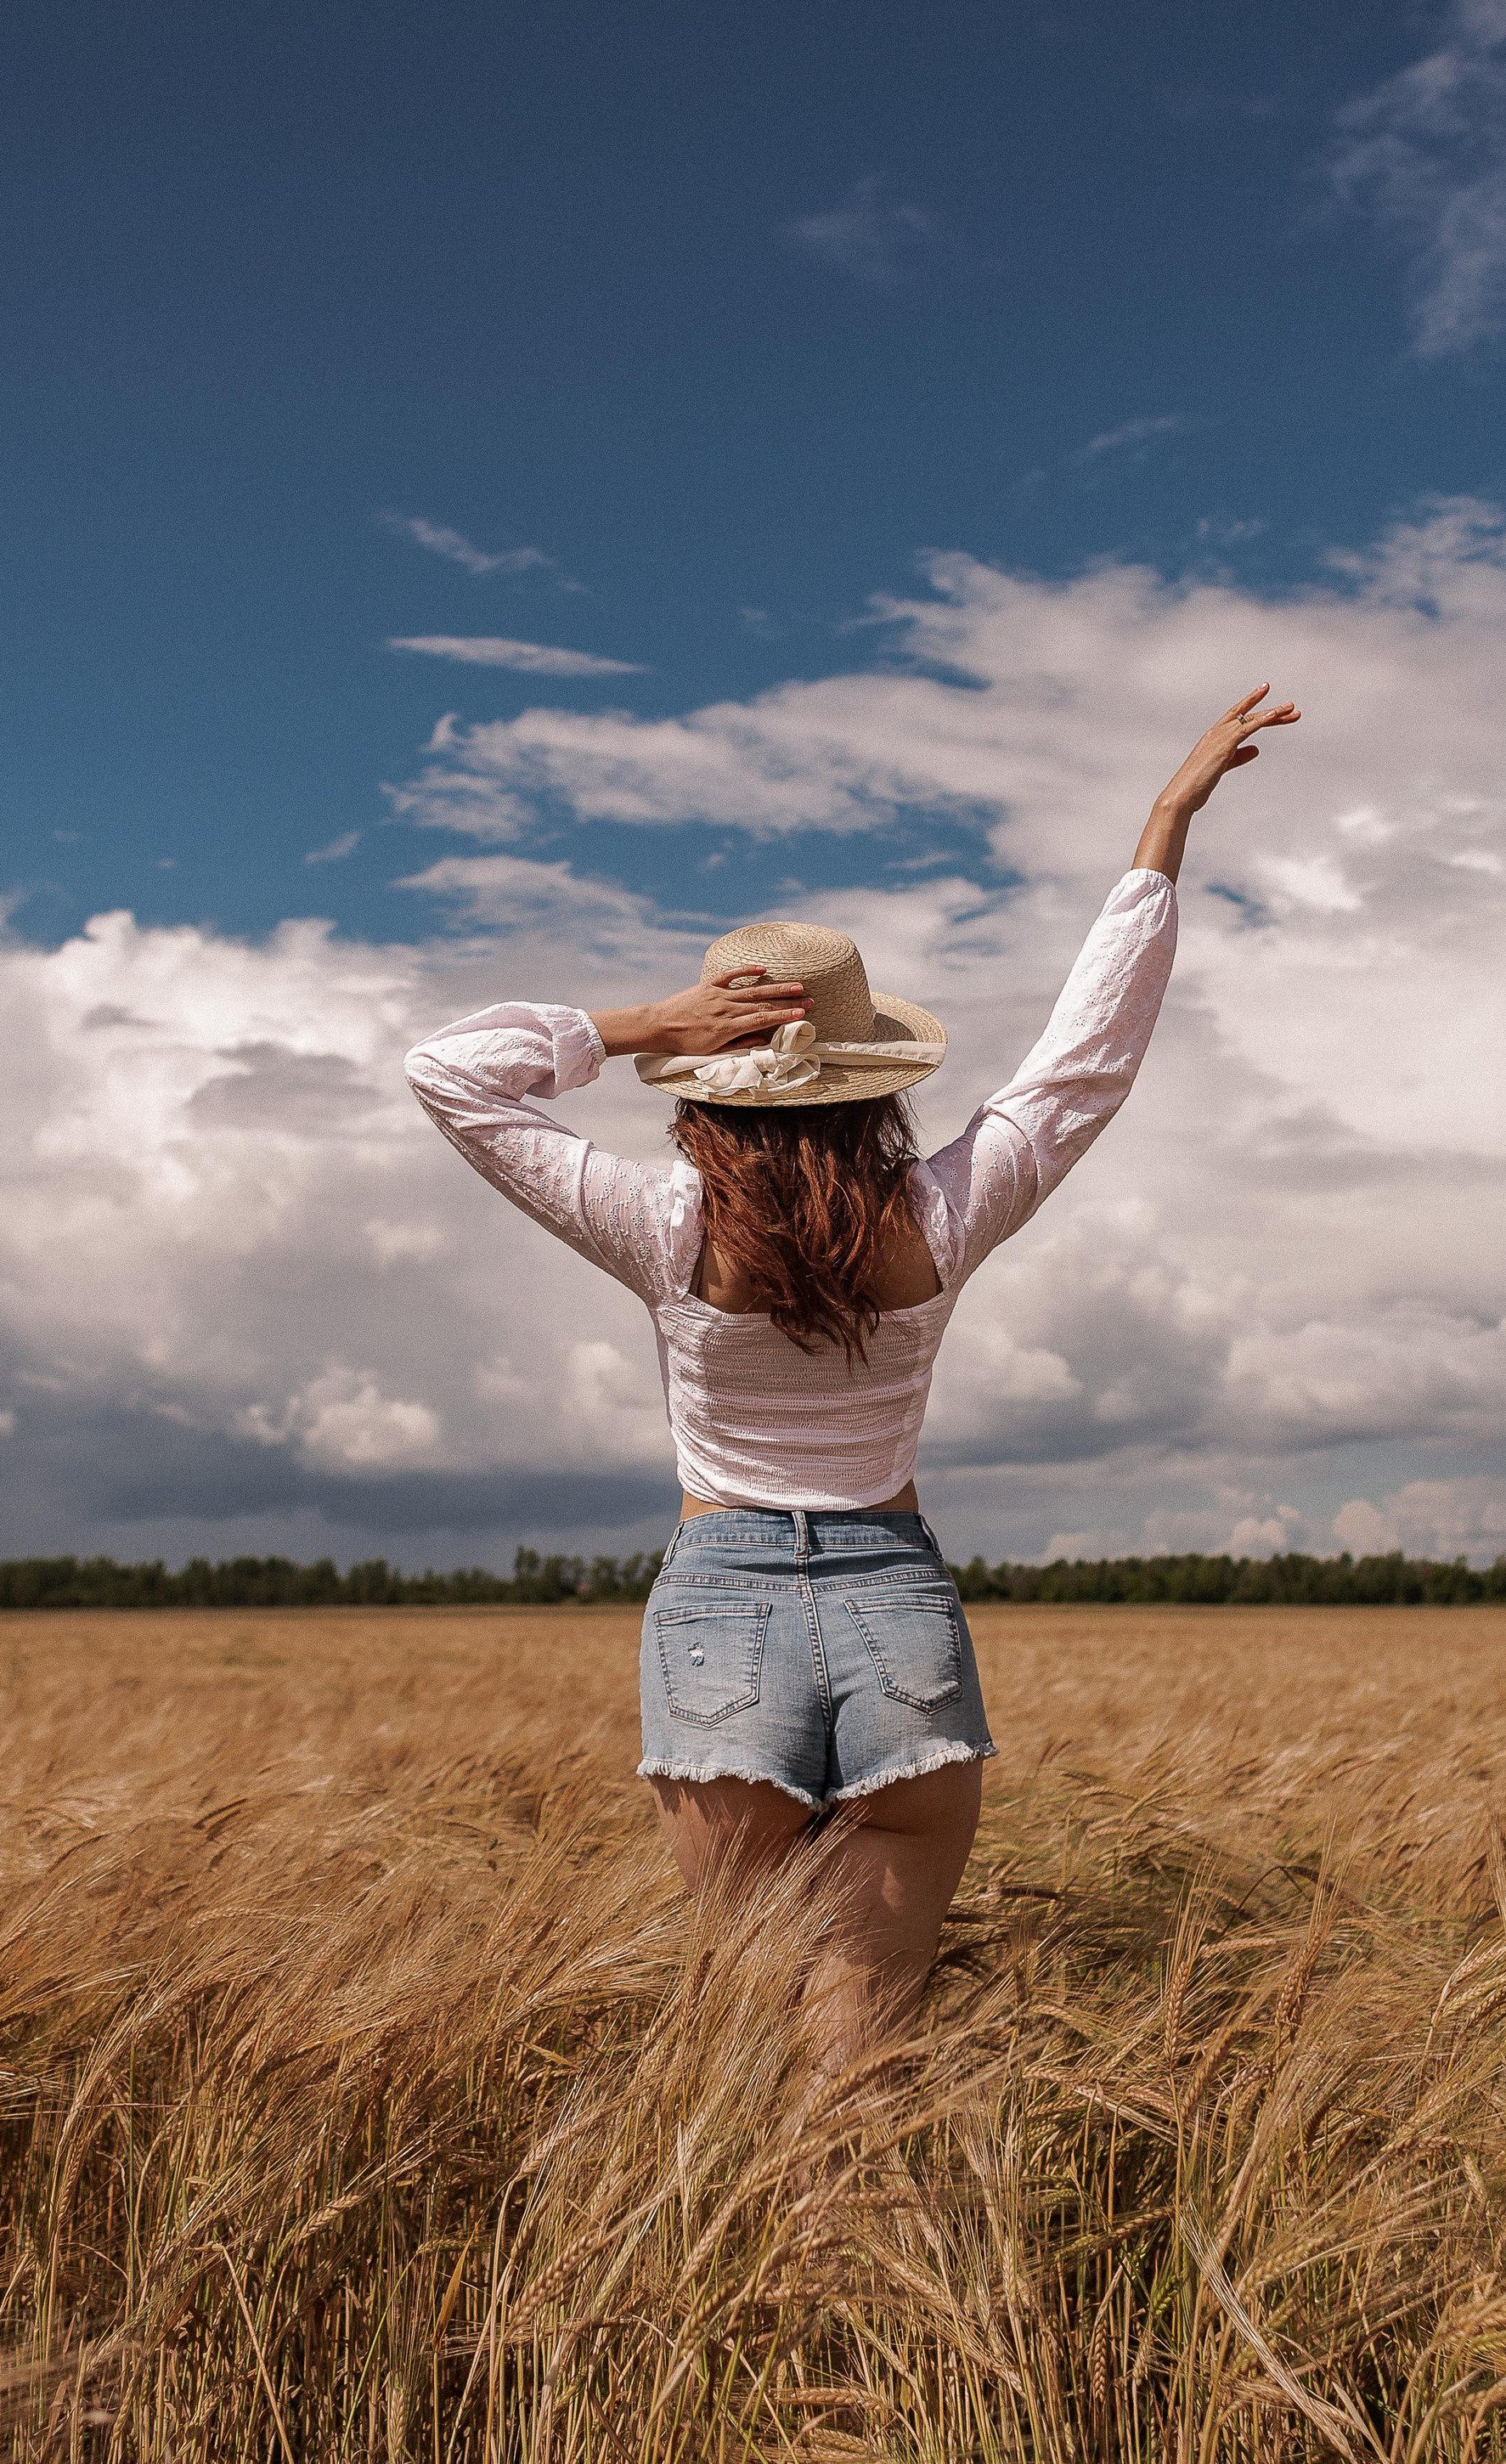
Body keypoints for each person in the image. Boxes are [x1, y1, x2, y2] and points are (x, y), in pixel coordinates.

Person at [405, 686, 1300, 2057]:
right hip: (899, 1612)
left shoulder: (662, 1228)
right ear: (878, 1080)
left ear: (709, 1093)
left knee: (749, 2054)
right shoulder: (940, 1218)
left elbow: (451, 1072)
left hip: (716, 1624)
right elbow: (1086, 1067)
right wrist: (1162, 828)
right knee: (859, 2063)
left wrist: (651, 1022)